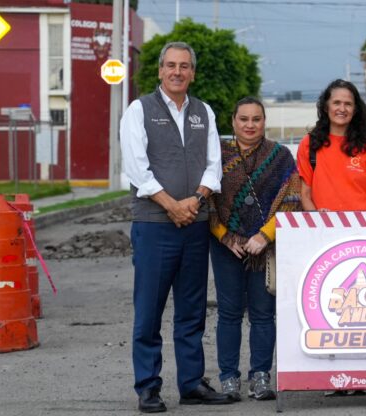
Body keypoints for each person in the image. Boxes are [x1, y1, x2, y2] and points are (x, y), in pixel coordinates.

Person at [120, 41, 231, 413]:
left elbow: (213, 165)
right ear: (160, 71)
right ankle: (148, 386)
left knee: (192, 309)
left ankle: (190, 383)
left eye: (185, 66)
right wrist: (171, 205)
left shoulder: (204, 112)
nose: (177, 72)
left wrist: (195, 202)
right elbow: (137, 168)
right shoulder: (139, 110)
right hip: (155, 225)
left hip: (195, 223)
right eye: (171, 65)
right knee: (149, 310)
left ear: (193, 73)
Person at [209, 97, 302, 402]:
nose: (250, 125)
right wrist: (225, 236)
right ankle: (229, 378)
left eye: (256, 119)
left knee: (263, 314)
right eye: (244, 119)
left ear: (265, 121)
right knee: (229, 313)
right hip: (227, 247)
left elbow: (292, 200)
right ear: (233, 121)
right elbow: (207, 201)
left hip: (267, 247)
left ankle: (260, 377)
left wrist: (265, 235)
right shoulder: (216, 154)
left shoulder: (280, 156)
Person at [298, 79, 366, 212]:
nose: (342, 109)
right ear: (326, 107)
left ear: (355, 109)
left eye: (348, 104)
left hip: (363, 227)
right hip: (323, 228)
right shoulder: (309, 144)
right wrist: (316, 218)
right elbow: (305, 194)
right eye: (336, 103)